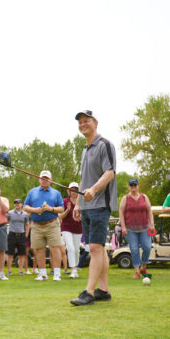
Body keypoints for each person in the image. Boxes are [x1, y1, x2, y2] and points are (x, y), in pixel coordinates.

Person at [70, 110, 117, 306]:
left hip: (100, 204)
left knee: (96, 248)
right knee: (97, 248)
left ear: (95, 123)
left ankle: (89, 291)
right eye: (80, 122)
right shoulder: (84, 150)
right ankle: (103, 290)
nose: (83, 124)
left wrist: (94, 189)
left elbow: (110, 173)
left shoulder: (104, 145)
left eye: (86, 121)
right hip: (87, 205)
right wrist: (78, 203)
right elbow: (84, 179)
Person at [23, 171, 65, 281]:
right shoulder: (32, 192)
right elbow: (25, 206)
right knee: (39, 249)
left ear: (51, 180)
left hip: (52, 224)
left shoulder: (56, 193)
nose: (44, 180)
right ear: (39, 179)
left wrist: (50, 209)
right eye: (42, 178)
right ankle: (42, 274)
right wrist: (34, 210)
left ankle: (56, 273)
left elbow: (61, 208)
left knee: (55, 248)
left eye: (46, 178)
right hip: (36, 225)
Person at [119, 178, 155, 279]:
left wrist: (152, 224)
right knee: (134, 249)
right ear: (129, 187)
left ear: (138, 186)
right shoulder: (125, 198)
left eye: (135, 185)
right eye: (131, 185)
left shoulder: (144, 197)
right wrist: (123, 227)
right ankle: (137, 271)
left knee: (147, 247)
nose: (133, 187)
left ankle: (143, 266)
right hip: (130, 228)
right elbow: (121, 212)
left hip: (144, 227)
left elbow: (149, 211)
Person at [59, 183, 83, 279]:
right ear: (69, 191)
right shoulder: (64, 201)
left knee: (76, 250)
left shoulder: (82, 201)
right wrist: (67, 210)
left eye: (75, 189)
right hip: (66, 228)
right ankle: (73, 270)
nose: (73, 191)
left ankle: (75, 269)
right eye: (72, 189)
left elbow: (85, 215)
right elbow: (60, 216)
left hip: (78, 228)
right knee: (70, 248)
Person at [6, 199, 30, 276]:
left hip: (21, 235)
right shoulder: (10, 213)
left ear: (21, 204)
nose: (17, 204)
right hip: (12, 234)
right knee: (10, 253)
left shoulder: (25, 214)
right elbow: (6, 222)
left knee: (22, 254)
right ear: (14, 204)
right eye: (15, 203)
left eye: (18, 203)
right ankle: (9, 271)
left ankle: (20, 271)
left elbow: (27, 224)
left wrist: (26, 234)